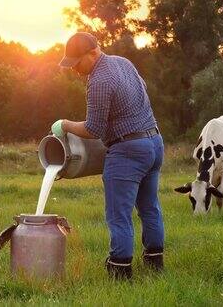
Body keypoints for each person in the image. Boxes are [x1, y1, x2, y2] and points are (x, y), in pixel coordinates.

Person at [51, 32, 165, 279]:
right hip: (154, 142)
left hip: (128, 150)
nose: (74, 69)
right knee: (149, 208)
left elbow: (94, 129)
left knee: (118, 215)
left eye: (77, 63)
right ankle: (155, 264)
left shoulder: (99, 80)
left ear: (93, 53)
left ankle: (120, 270)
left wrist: (66, 124)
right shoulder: (123, 63)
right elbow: (141, 91)